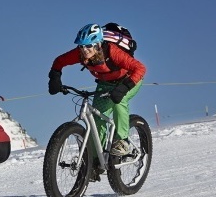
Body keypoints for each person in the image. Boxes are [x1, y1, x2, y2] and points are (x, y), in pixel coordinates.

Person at [48, 23, 146, 160]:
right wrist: (55, 78)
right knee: (97, 119)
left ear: (98, 44)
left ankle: (123, 141)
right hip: (105, 84)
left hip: (129, 80)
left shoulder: (112, 52)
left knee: (119, 101)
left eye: (89, 46)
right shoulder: (79, 54)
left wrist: (124, 87)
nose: (85, 50)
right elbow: (59, 61)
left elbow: (140, 68)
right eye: (81, 46)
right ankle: (96, 161)